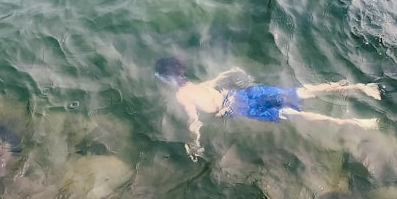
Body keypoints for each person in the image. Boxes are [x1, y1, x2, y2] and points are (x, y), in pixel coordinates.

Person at [154, 57, 381, 158]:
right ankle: (361, 87)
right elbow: (216, 80)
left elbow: (193, 120)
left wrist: (194, 144)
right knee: (302, 91)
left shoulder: (181, 96)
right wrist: (232, 72)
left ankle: (357, 123)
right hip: (243, 93)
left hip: (240, 108)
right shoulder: (198, 84)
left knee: (293, 114)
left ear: (167, 78)